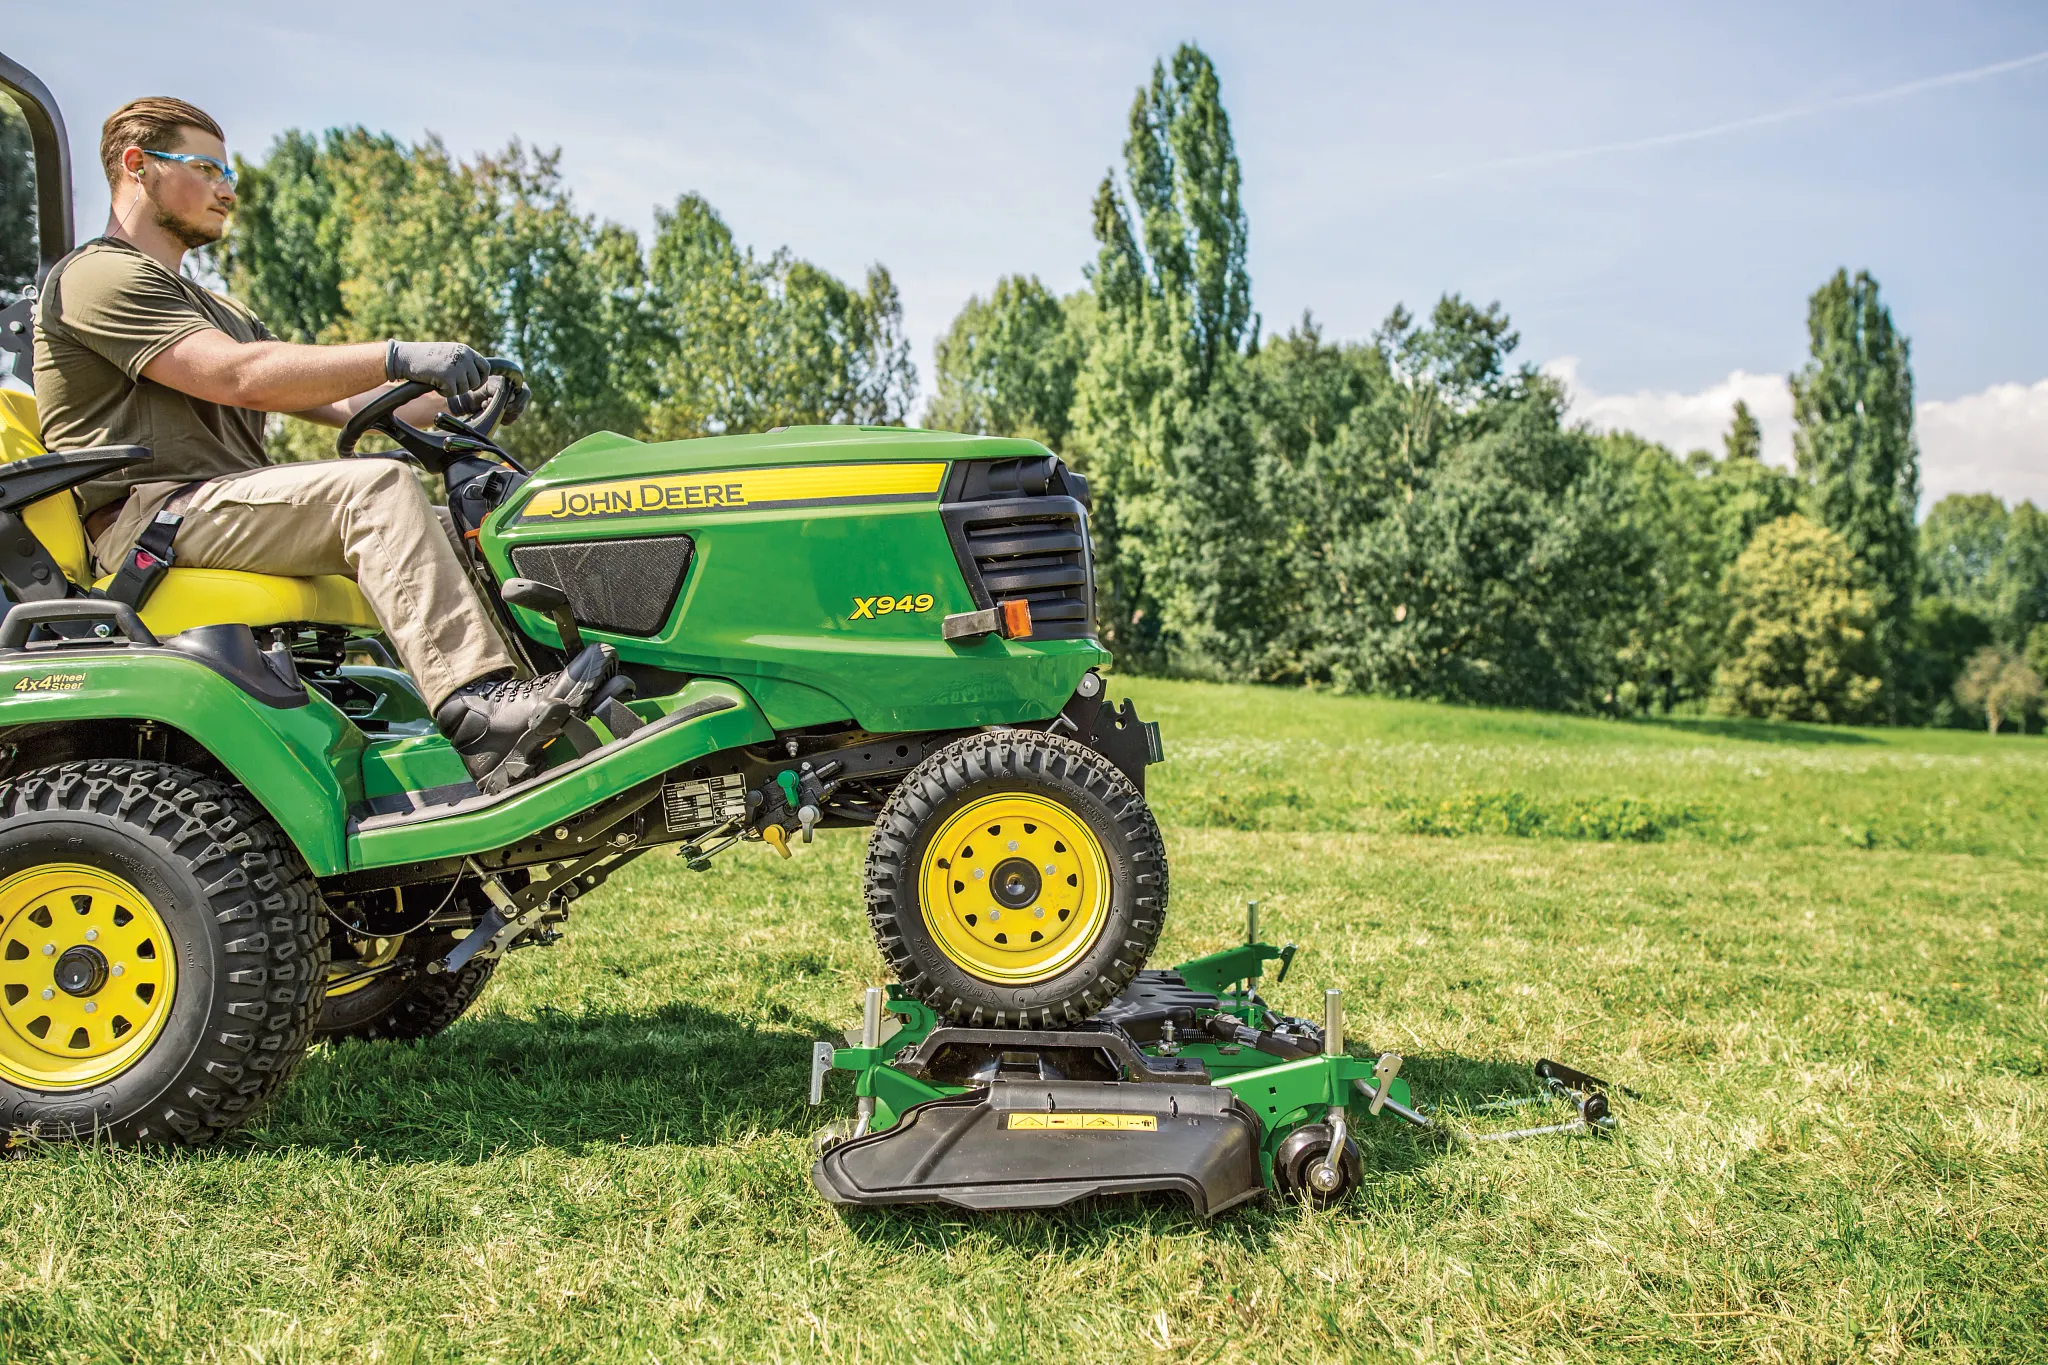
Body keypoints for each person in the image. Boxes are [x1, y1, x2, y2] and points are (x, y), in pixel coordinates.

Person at [32, 96, 566, 783]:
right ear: (137, 166)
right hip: (154, 521)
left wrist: (461, 393)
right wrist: (398, 352)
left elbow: (338, 396)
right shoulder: (97, 276)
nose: (228, 189)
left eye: (230, 173)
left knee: (466, 523)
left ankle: (554, 701)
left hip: (225, 509)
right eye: (207, 168)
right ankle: (482, 716)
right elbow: (242, 376)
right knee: (375, 489)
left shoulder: (222, 307)